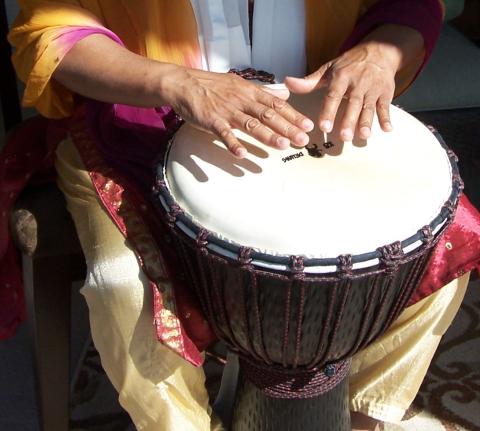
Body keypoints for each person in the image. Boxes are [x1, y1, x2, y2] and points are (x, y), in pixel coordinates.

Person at [2, 1, 480, 430]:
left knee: (443, 235)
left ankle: (359, 418)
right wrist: (174, 81)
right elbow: (52, 33)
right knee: (123, 284)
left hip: (315, 122)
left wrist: (380, 52)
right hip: (140, 128)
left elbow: (409, 5)